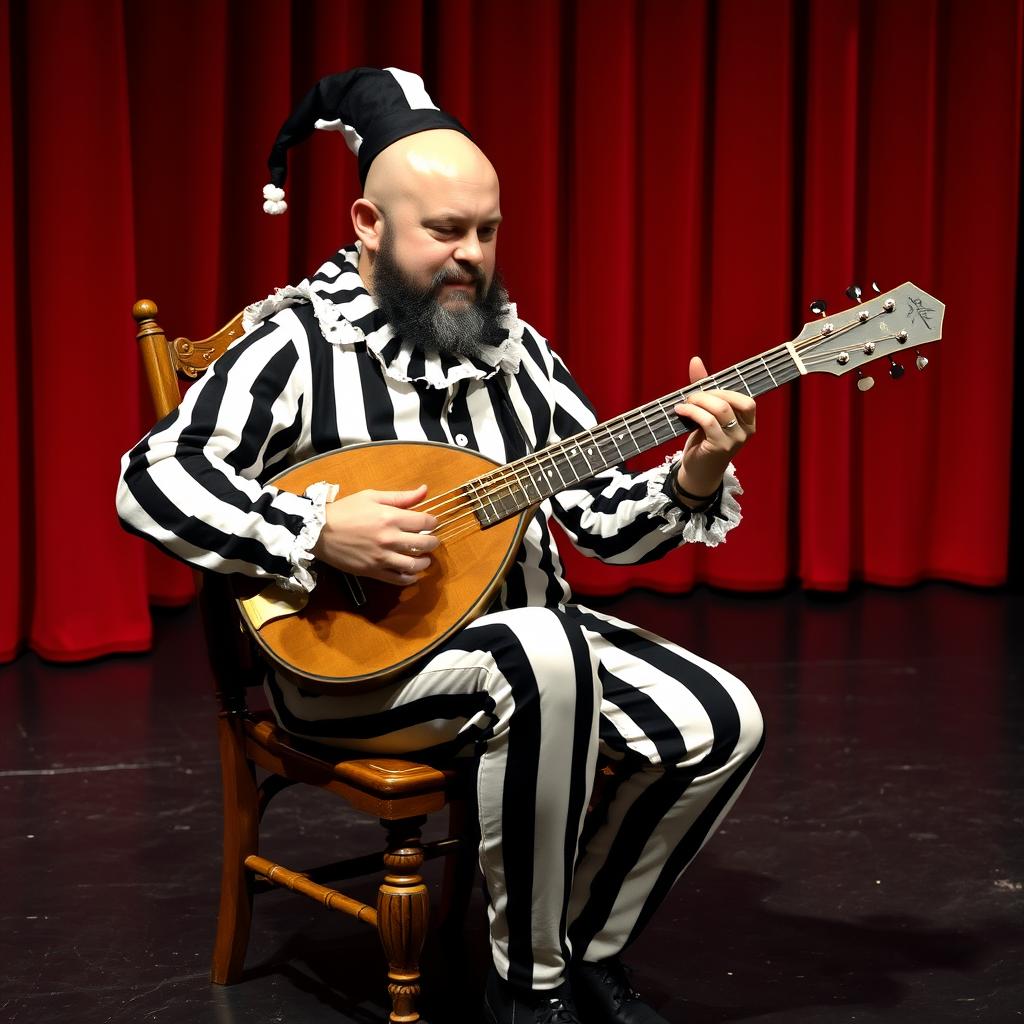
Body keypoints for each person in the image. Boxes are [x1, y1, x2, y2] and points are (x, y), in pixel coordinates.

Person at [117, 68, 764, 1024]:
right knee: (545, 653)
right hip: (352, 662)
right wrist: (316, 526)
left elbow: (601, 523)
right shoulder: (295, 344)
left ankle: (583, 946)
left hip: (515, 636)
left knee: (722, 719)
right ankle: (527, 994)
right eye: (444, 233)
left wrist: (695, 475)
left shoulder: (519, 352)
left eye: (487, 232)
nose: (471, 257)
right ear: (368, 223)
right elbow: (149, 481)